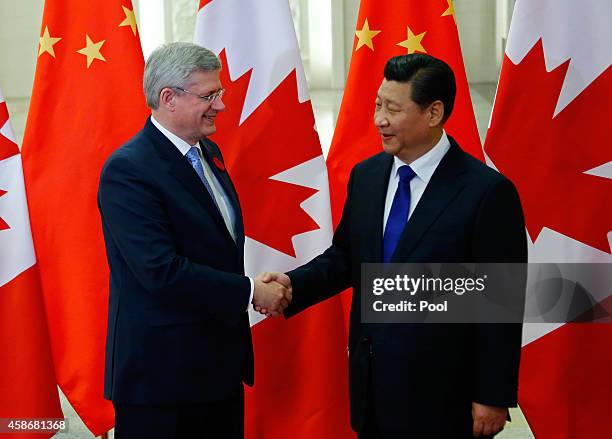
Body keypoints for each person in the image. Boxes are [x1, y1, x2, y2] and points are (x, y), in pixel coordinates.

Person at [260, 54, 527, 438]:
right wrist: (291, 284)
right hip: (373, 387)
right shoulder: (367, 176)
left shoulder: (486, 193)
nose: (379, 119)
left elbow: (500, 301)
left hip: (444, 397)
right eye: (377, 105)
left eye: (393, 109)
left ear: (433, 113)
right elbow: (347, 258)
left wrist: (491, 394)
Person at [98, 42, 291, 439]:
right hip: (162, 382)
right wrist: (250, 290)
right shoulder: (128, 170)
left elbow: (216, 247)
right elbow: (161, 272)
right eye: (209, 95)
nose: (220, 105)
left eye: (218, 94)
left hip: (217, 371)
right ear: (168, 98)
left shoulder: (209, 153)